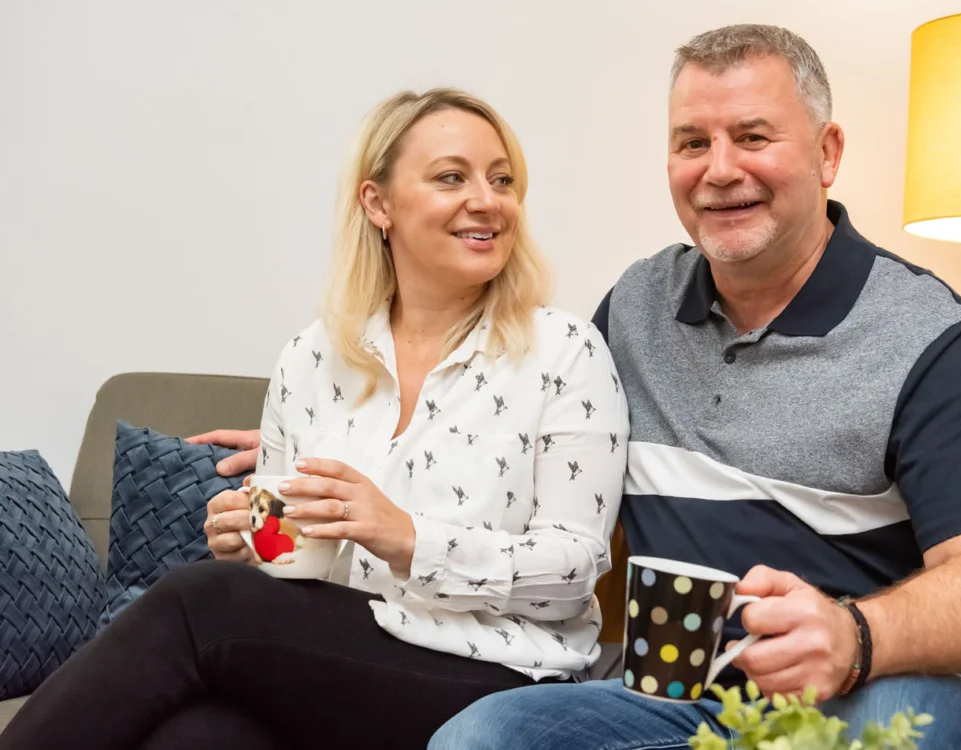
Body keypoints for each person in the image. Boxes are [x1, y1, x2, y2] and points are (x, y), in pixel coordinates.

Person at [429, 24, 961, 750]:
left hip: (889, 687)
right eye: (692, 143)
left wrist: (854, 638)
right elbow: (504, 451)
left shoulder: (931, 337)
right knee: (481, 739)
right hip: (678, 698)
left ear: (827, 153)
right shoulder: (633, 309)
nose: (718, 170)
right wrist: (304, 459)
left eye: (752, 137)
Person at [0, 87, 629, 750]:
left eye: (502, 180)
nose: (488, 199)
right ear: (377, 203)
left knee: (200, 601)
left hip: (504, 674)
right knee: (200, 735)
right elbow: (292, 559)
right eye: (452, 177)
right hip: (347, 659)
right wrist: (253, 542)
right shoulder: (310, 358)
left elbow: (574, 570)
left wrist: (408, 536)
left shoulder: (563, 351)